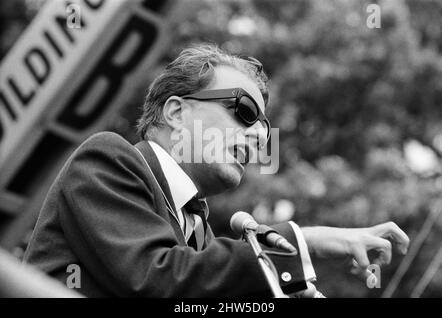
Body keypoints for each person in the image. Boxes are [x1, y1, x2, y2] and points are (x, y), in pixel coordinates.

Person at [24, 44, 409, 297]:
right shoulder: (107, 160)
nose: (260, 135)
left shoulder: (201, 235)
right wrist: (301, 246)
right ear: (177, 112)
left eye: (263, 126)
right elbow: (157, 280)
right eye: (244, 112)